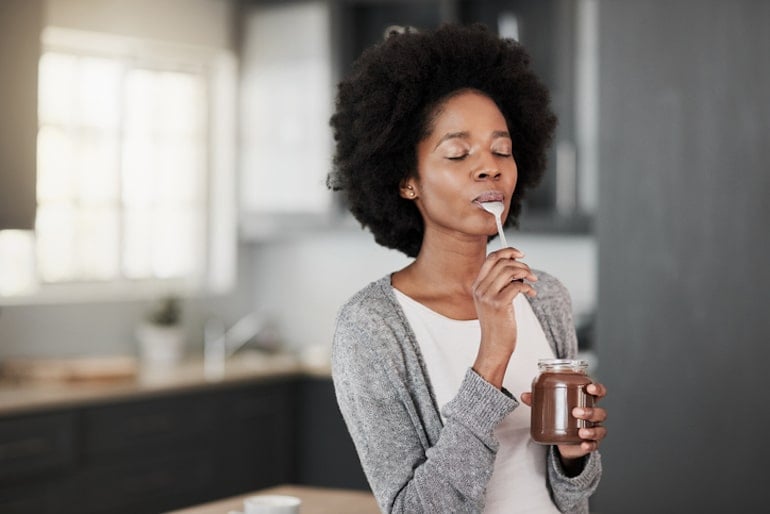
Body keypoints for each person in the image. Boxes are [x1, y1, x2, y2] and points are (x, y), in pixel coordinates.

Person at [327, 23, 606, 514]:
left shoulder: (546, 298)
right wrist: (492, 353)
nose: (489, 167)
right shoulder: (372, 328)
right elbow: (415, 509)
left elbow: (570, 495)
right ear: (407, 180)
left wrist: (573, 456)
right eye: (458, 153)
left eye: (502, 150)